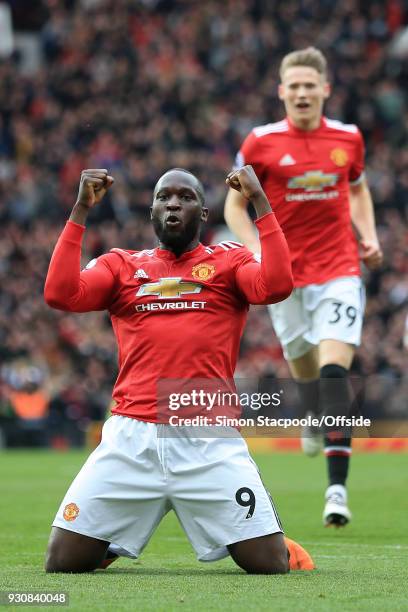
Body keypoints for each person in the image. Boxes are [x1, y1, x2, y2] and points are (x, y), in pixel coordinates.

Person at [43, 164, 305, 574]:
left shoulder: (229, 261)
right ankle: (114, 533)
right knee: (62, 563)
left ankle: (265, 530)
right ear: (151, 211)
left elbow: (277, 285)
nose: (174, 204)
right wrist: (80, 210)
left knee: (270, 565)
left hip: (207, 438)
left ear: (203, 214)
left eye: (186, 197)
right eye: (165, 197)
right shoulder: (121, 266)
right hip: (132, 438)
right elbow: (60, 294)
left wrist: (259, 201)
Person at [224, 47, 383, 527]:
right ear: (281, 92)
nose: (301, 92)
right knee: (306, 373)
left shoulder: (348, 139)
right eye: (293, 85)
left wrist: (368, 234)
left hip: (339, 270)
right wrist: (257, 250)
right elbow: (233, 207)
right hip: (285, 278)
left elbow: (356, 188)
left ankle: (337, 491)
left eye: (309, 85)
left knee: (335, 374)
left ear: (325, 90)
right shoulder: (259, 143)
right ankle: (312, 413)